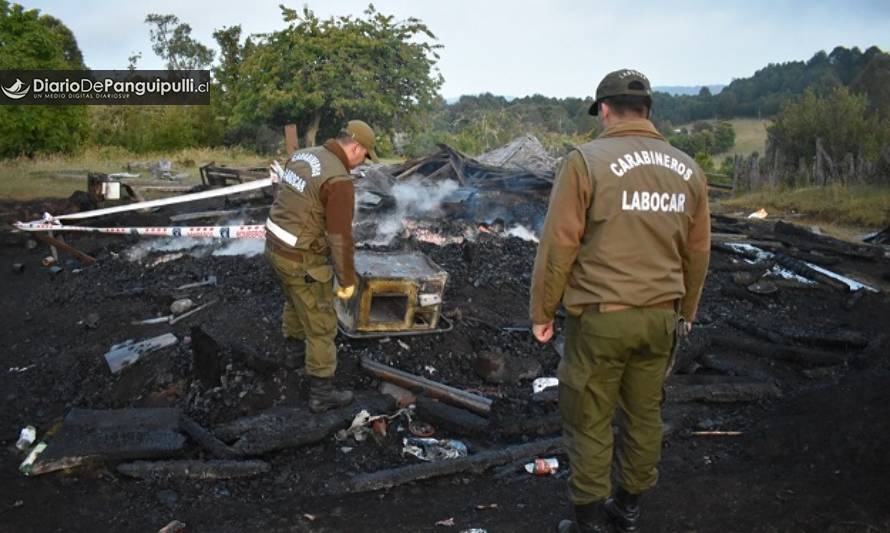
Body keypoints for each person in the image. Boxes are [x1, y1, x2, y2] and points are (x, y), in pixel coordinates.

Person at [529, 70, 711, 533]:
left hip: (602, 319)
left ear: (604, 110)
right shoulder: (689, 168)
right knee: (644, 415)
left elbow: (559, 246)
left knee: (588, 415)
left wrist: (542, 311)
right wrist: (686, 312)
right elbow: (698, 252)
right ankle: (627, 510)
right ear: (648, 111)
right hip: (660, 319)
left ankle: (589, 522)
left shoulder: (585, 161)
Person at [265, 119, 379, 413]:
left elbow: (285, 198)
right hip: (301, 259)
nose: (362, 162)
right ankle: (321, 393)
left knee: (294, 301)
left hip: (275, 248)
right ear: (355, 146)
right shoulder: (338, 181)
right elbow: (340, 237)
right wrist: (347, 280)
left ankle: (292, 357)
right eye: (364, 155)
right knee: (321, 325)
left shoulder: (304, 155)